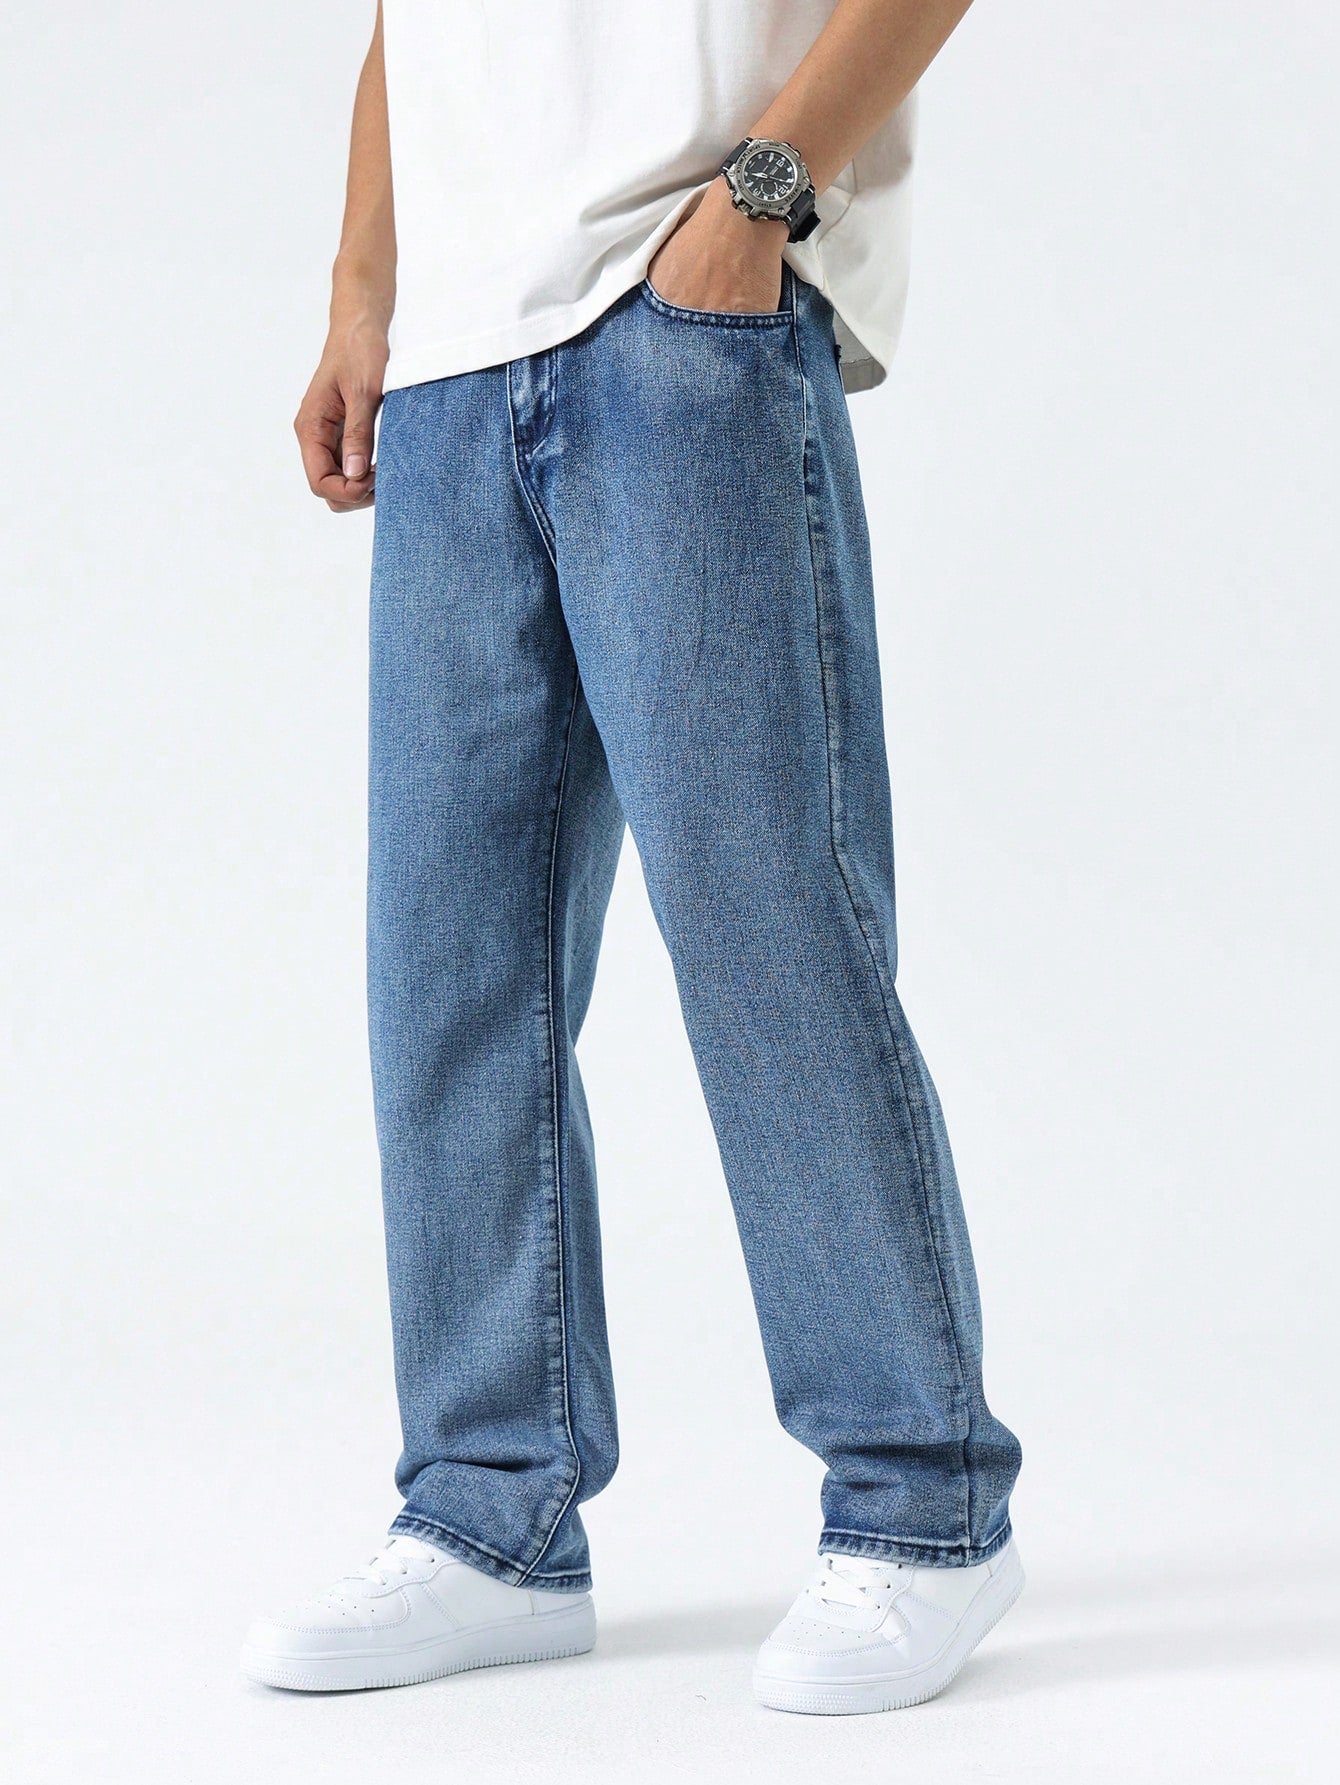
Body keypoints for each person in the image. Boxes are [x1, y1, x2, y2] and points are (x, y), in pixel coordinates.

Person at [241, 0, 1023, 1715]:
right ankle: (490, 1510)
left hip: (687, 313)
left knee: (772, 936)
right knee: (449, 972)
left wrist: (761, 201)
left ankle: (923, 1503)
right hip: (452, 362)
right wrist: (364, 292)